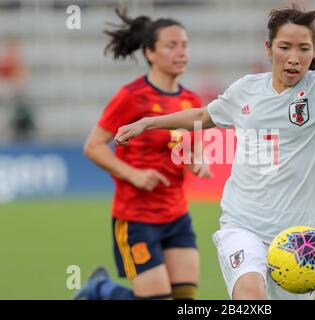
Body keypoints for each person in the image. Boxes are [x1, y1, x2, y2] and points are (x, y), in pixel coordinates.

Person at [114, 6, 315, 300]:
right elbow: (206, 116)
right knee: (250, 297)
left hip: (298, 239)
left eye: (303, 48)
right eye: (284, 47)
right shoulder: (246, 90)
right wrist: (148, 123)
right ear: (268, 48)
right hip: (243, 225)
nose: (294, 57)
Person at [74, 8, 210, 300]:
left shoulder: (192, 101)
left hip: (177, 214)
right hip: (136, 218)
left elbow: (190, 150)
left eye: (184, 45)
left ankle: (100, 288)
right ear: (150, 53)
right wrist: (133, 174)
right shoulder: (132, 96)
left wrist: (198, 162)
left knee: (185, 298)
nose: (181, 52)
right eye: (171, 46)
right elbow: (93, 146)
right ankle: (101, 289)